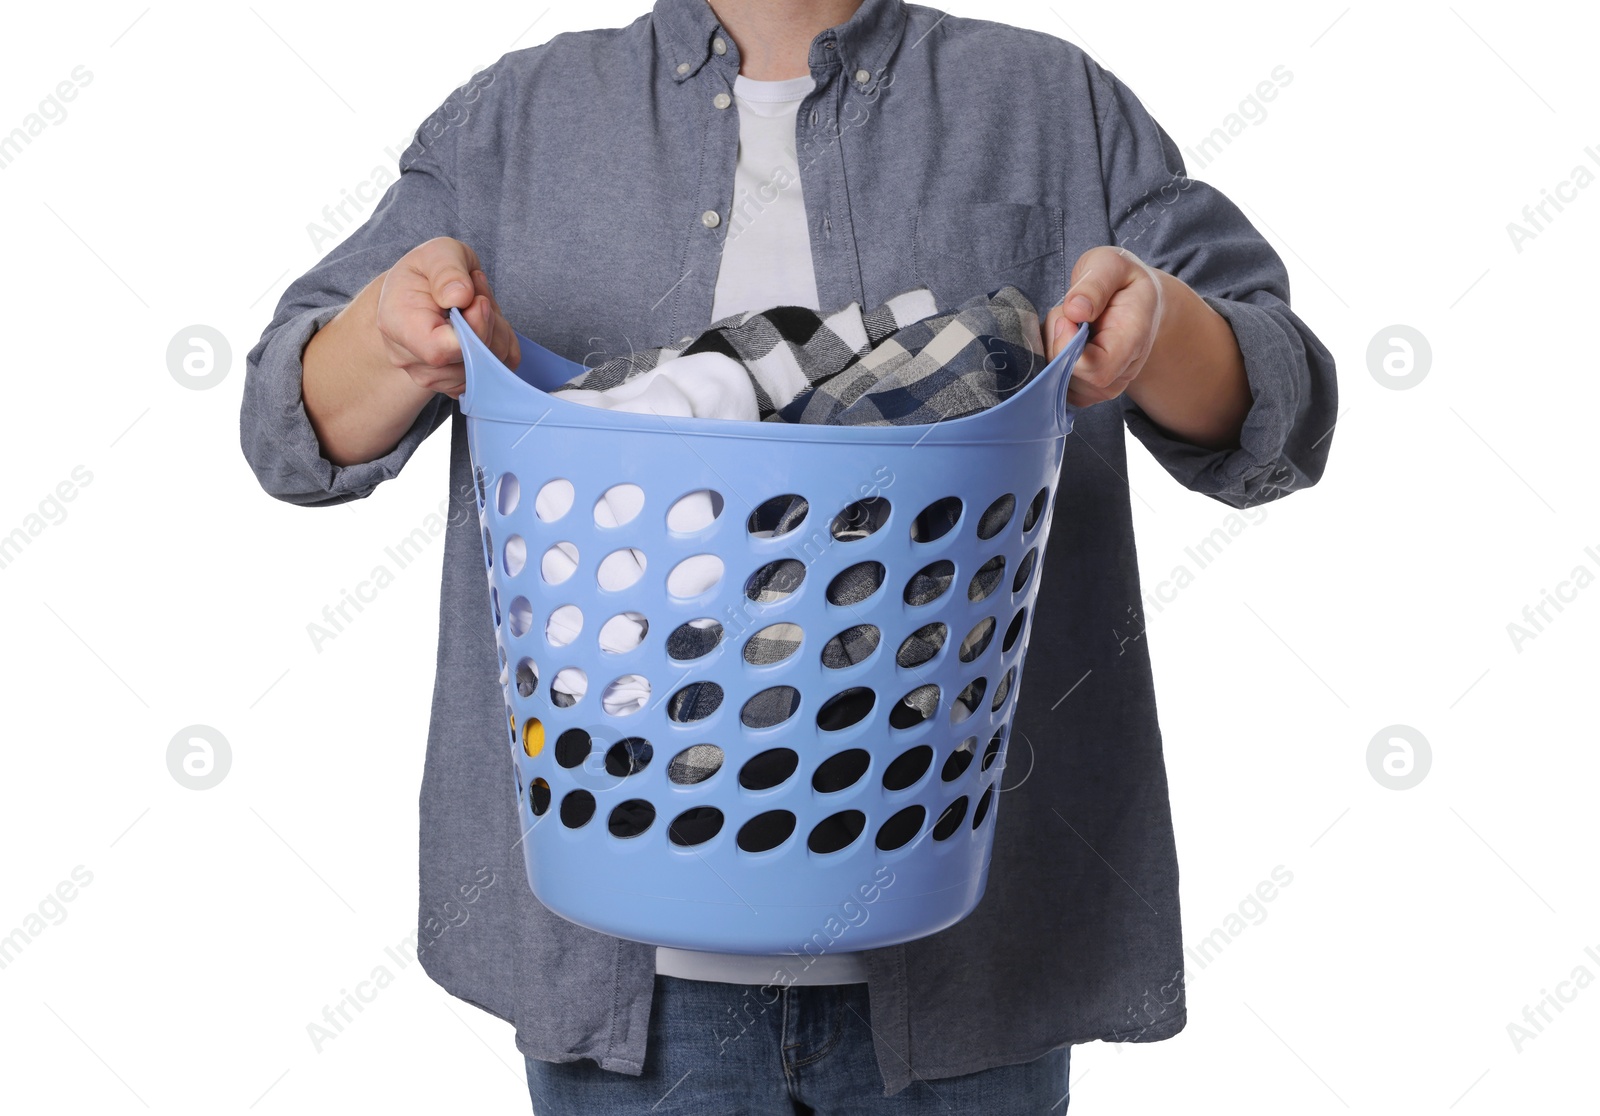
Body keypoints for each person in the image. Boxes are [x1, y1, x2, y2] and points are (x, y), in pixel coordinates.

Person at [240, 0, 1338, 1110]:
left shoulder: (1049, 104)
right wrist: (389, 331)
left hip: (971, 974)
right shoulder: (515, 124)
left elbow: (1282, 407)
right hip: (624, 983)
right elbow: (288, 429)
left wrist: (1161, 326)